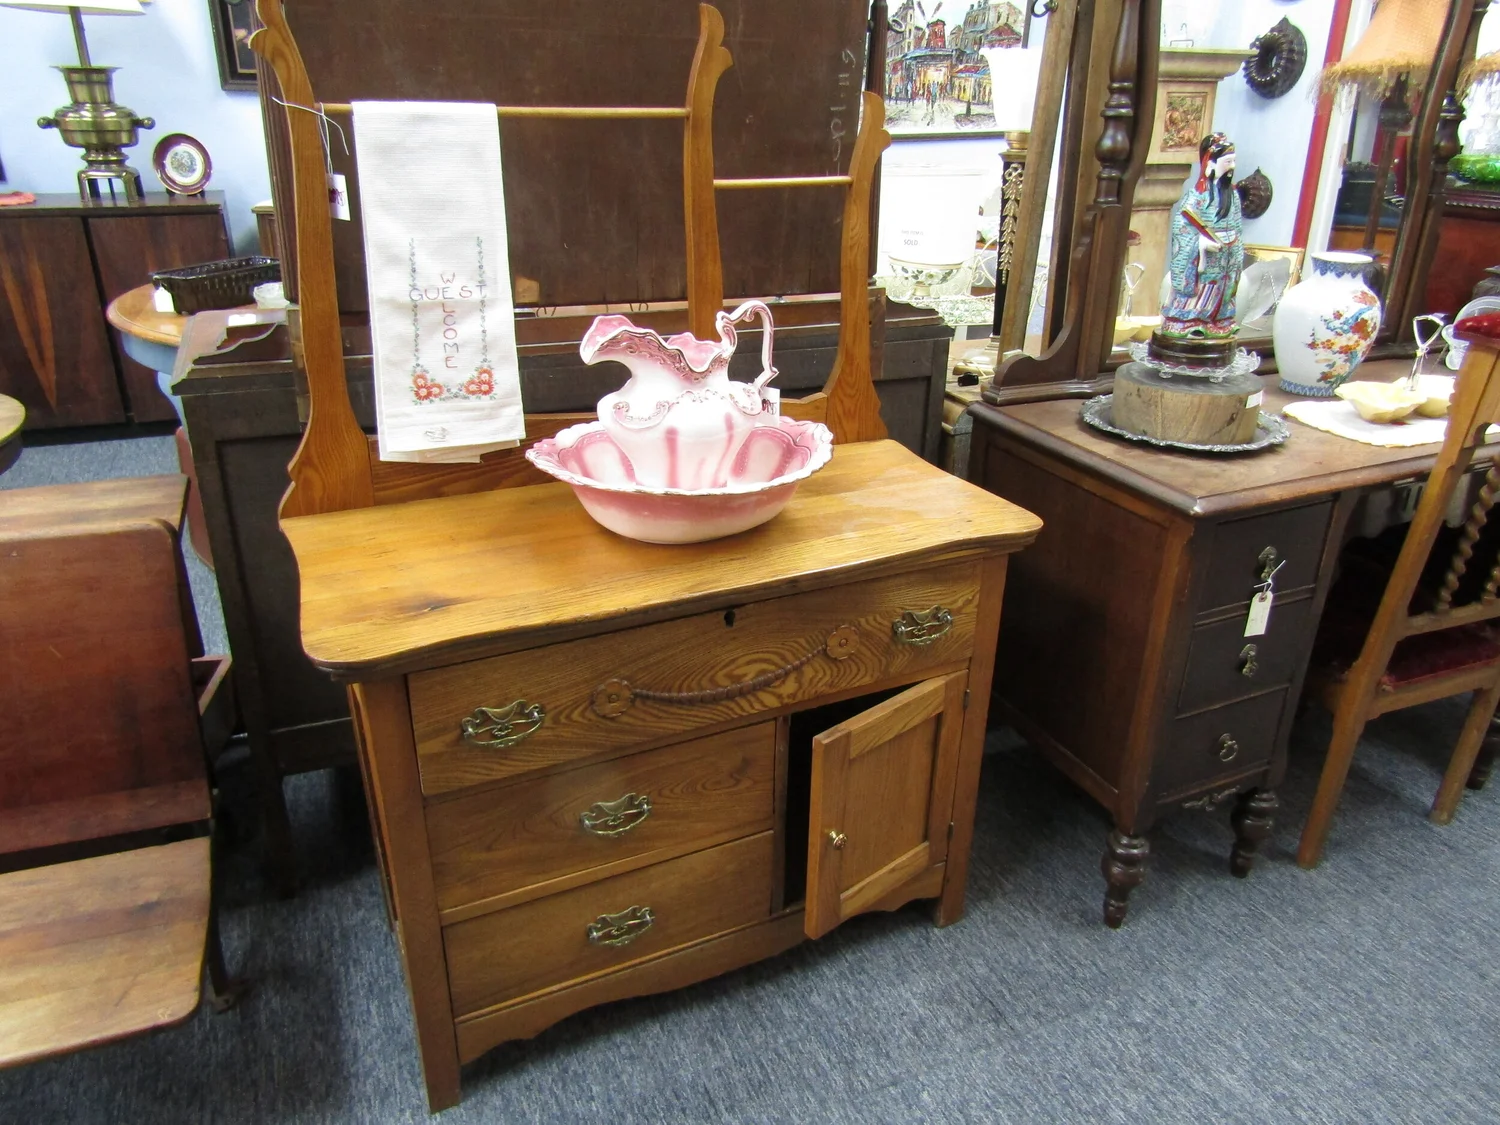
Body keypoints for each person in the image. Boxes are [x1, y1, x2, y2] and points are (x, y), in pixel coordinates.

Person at [1159, 133, 1244, 344]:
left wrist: (1234, 246)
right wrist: (1201, 243)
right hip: (1204, 256)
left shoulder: (1232, 195)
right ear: (1210, 162)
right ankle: (1191, 321)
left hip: (1227, 254)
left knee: (1223, 288)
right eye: (1227, 162)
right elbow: (1182, 227)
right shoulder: (1196, 196)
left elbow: (1237, 225)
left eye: (1233, 161)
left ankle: (1219, 321)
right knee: (1205, 288)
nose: (1232, 166)